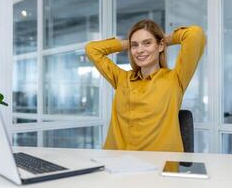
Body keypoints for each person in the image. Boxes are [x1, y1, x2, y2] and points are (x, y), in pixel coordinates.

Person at [85, 19, 206, 152]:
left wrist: (165, 40)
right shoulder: (122, 79)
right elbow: (92, 50)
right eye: (135, 46)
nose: (139, 51)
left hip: (159, 163)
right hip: (117, 161)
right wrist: (128, 43)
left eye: (147, 43)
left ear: (160, 46)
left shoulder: (175, 79)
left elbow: (195, 35)